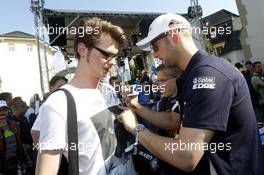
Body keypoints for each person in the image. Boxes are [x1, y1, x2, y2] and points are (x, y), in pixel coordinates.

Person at [118, 13, 264, 174]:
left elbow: (186, 155)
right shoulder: (194, 74)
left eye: (155, 46)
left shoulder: (207, 76)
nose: (154, 54)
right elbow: (174, 120)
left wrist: (136, 129)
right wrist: (136, 107)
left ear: (174, 35)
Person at [35, 17, 126, 175]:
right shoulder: (59, 103)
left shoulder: (106, 92)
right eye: (107, 55)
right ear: (82, 50)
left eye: (115, 56)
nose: (113, 63)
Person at [0, 100, 24, 174]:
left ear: (8, 110)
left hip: (15, 163)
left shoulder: (14, 125)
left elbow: (20, 143)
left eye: (4, 109)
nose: (2, 112)